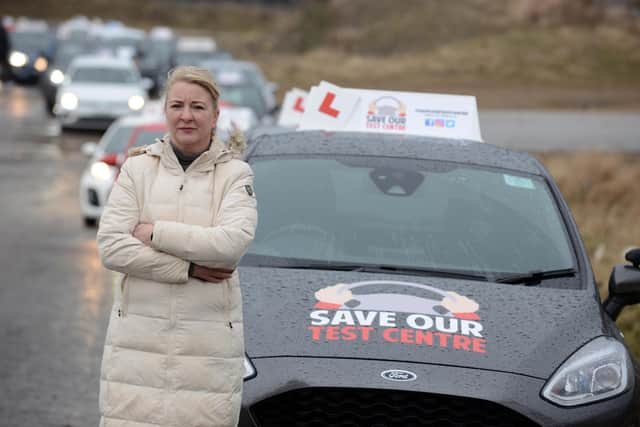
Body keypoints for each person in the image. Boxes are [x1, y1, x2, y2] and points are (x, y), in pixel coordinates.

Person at [96, 66, 258, 427]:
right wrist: (187, 268)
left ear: (216, 115)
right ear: (164, 111)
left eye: (198, 107)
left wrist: (154, 233)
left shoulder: (236, 175)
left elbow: (230, 245)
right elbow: (111, 246)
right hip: (136, 353)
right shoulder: (137, 169)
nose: (187, 115)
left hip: (207, 356)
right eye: (177, 105)